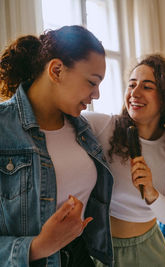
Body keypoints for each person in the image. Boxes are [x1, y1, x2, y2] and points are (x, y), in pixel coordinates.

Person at [83, 54, 165, 266]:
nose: (134, 93)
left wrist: (152, 193)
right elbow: (57, 117)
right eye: (131, 85)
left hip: (149, 250)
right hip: (102, 250)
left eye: (147, 87)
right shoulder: (104, 127)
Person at [0, 25, 114, 266]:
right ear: (57, 70)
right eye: (92, 82)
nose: (97, 95)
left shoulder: (84, 130)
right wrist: (37, 247)